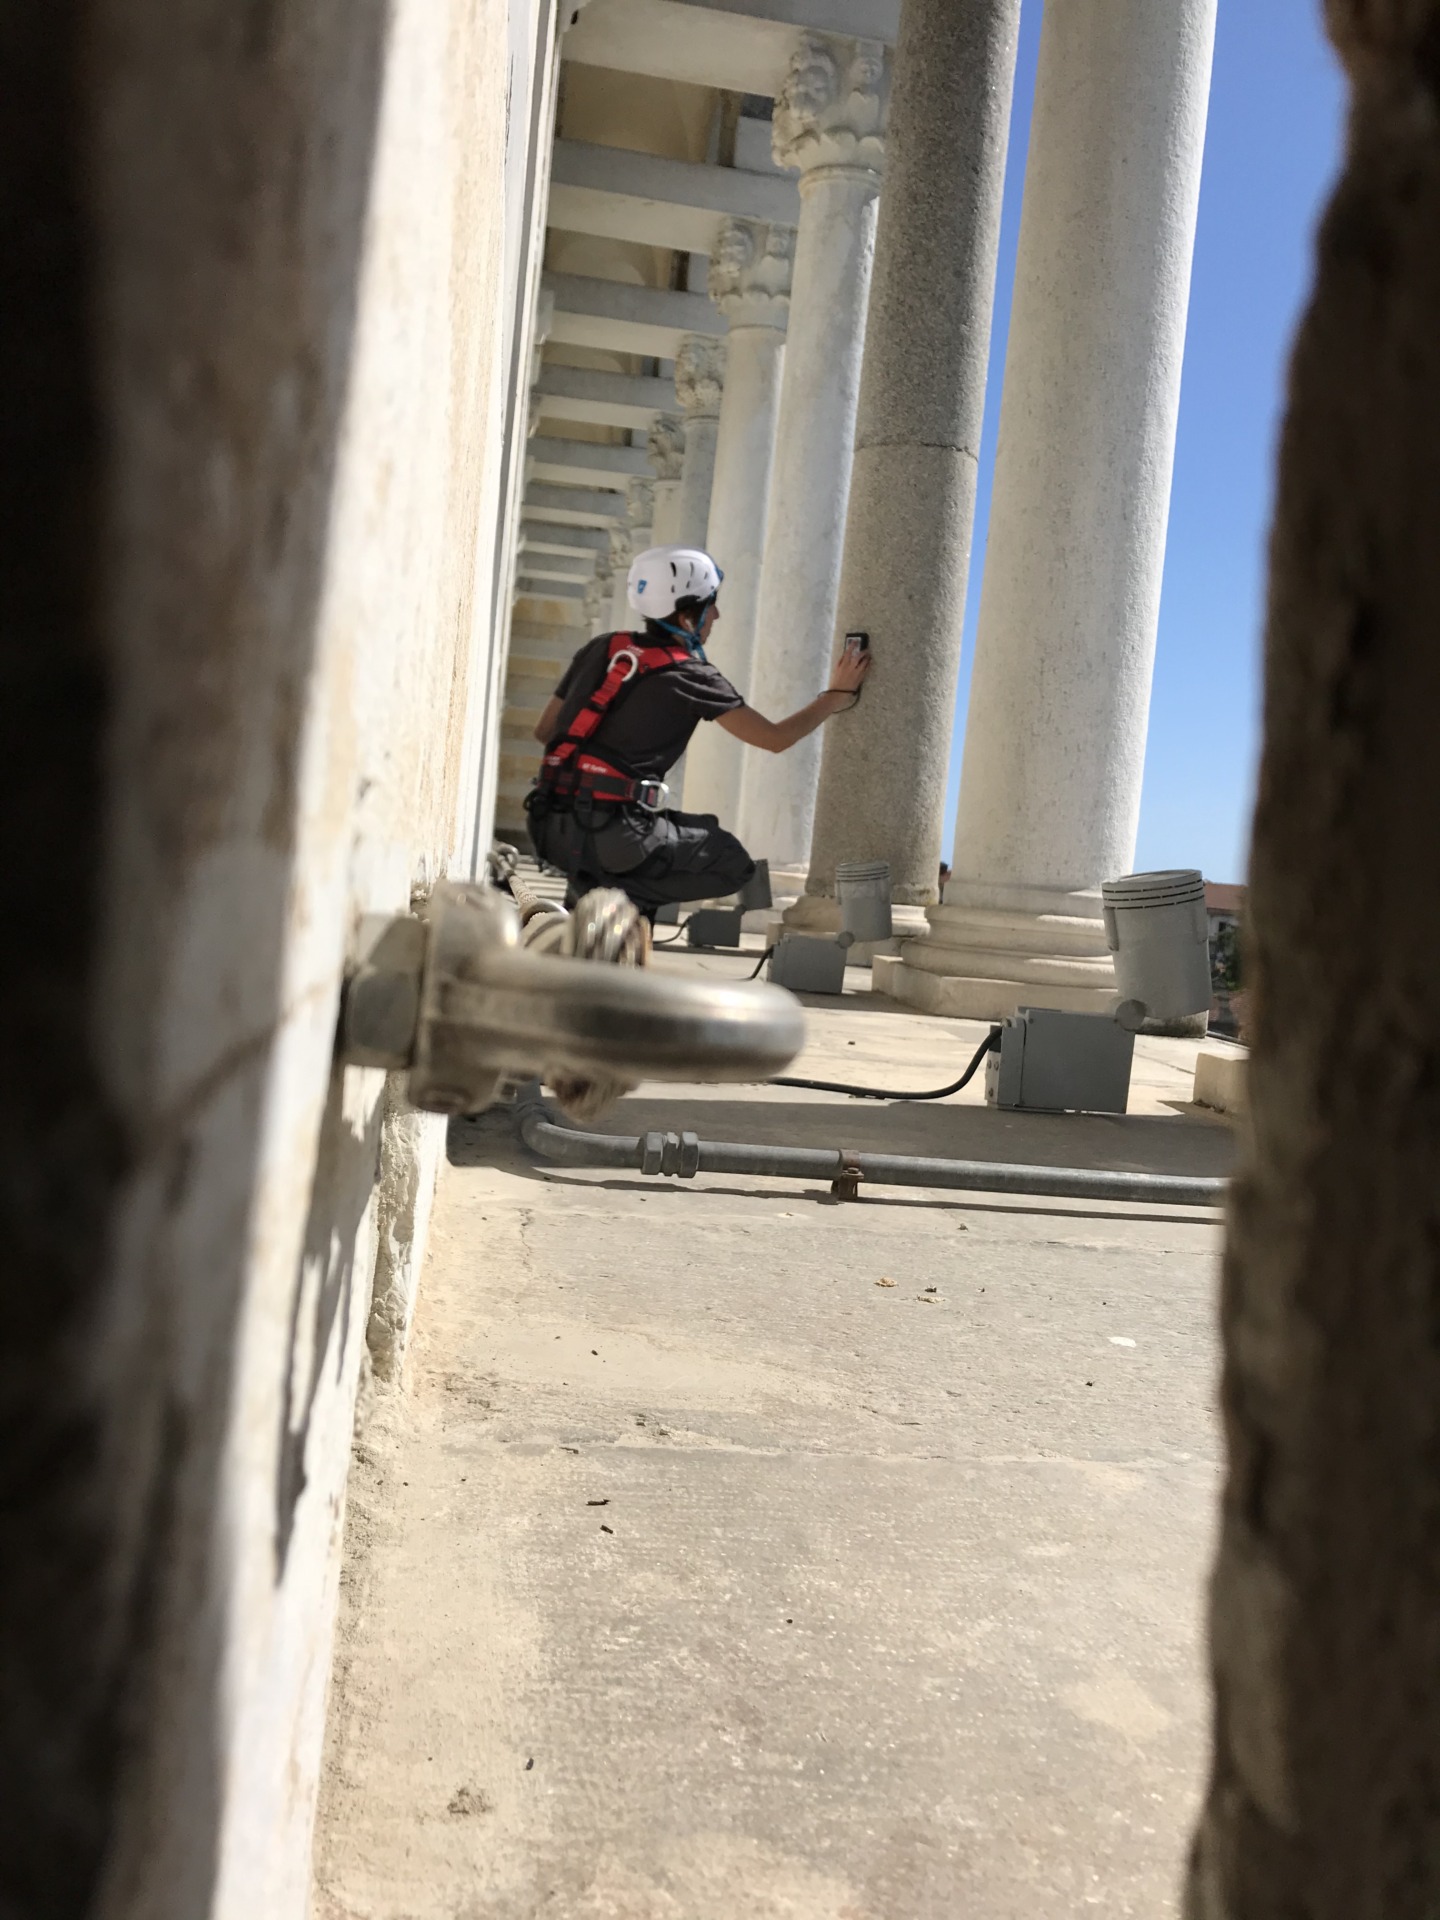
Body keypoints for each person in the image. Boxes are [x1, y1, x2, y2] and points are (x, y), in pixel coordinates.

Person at [525, 544, 870, 917]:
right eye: (711, 604)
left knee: (669, 837)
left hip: (548, 826)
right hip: (614, 836)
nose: (716, 614)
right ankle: (606, 896)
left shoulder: (604, 647)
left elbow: (545, 731)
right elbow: (775, 739)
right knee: (730, 862)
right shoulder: (691, 675)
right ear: (688, 616)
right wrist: (835, 696)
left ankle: (593, 892)